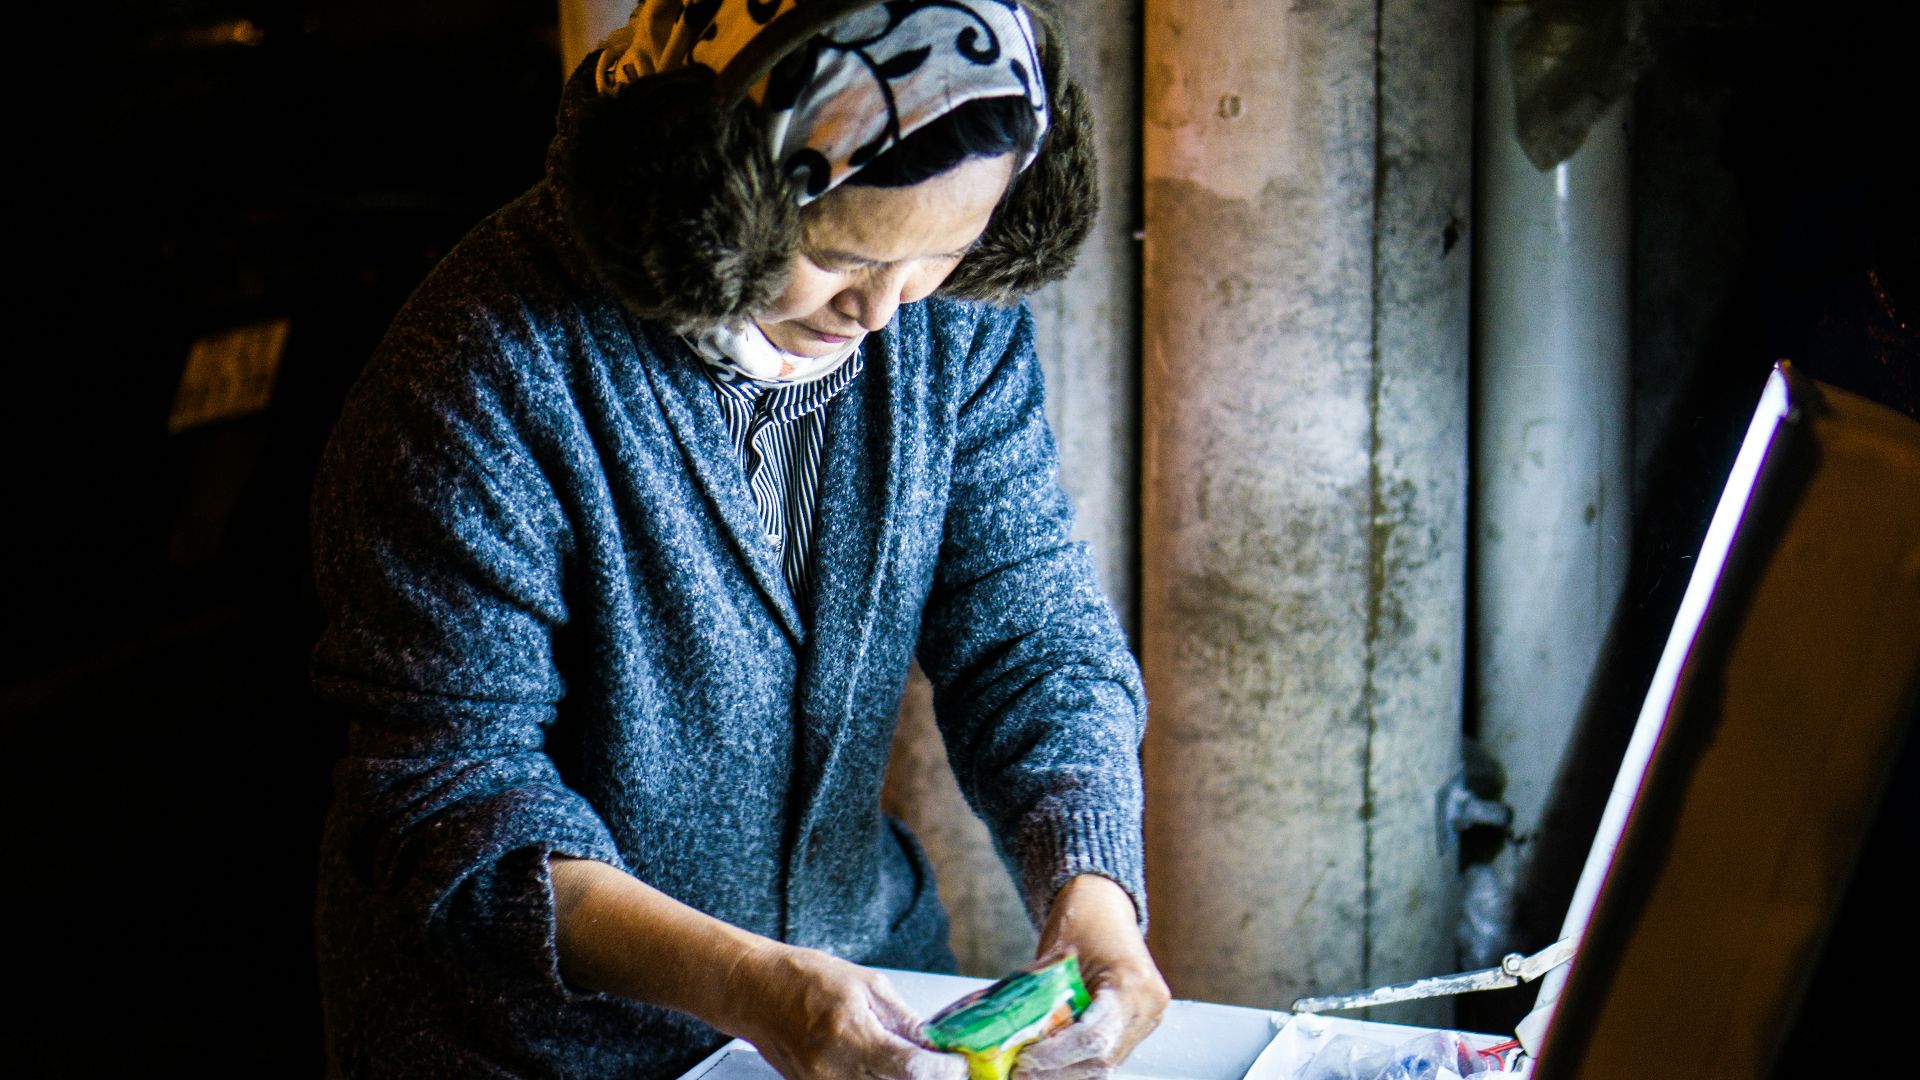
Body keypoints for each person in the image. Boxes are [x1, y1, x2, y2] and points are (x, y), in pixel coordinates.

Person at [310, 1, 1168, 1076]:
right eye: (839, 253)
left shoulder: (956, 319)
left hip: (859, 981)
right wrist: (750, 986)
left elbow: (1030, 637)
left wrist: (1093, 893)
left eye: (940, 254)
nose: (887, 310)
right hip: (529, 1042)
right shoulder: (483, 367)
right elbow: (451, 797)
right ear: (711, 202)